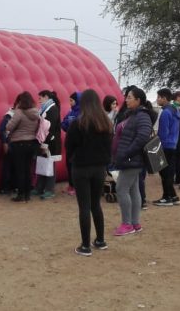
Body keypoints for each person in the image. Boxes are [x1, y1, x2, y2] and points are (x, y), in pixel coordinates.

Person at [65, 89, 112, 256]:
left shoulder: (78, 124)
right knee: (95, 205)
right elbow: (109, 148)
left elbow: (69, 146)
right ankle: (100, 240)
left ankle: (85, 246)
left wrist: (73, 159)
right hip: (99, 168)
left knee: (84, 206)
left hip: (81, 168)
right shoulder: (106, 123)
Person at [112, 87, 153, 236]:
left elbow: (142, 138)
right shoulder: (132, 115)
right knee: (133, 190)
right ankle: (135, 223)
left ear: (138, 100)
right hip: (129, 159)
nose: (126, 100)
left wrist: (127, 152)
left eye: (129, 97)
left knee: (121, 189)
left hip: (131, 159)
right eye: (126, 97)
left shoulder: (142, 116)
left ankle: (127, 224)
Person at [5, 91, 40, 202]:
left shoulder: (19, 112)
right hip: (31, 143)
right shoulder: (36, 112)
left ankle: (20, 194)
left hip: (19, 144)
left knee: (20, 170)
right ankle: (27, 194)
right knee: (28, 169)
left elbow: (9, 126)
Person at [153, 88, 180, 207]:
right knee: (168, 172)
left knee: (164, 173)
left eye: (158, 97)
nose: (157, 99)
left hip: (165, 145)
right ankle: (173, 196)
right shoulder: (176, 110)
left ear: (164, 98)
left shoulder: (165, 112)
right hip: (173, 144)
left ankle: (167, 197)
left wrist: (157, 144)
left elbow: (163, 132)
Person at [33, 90, 62, 199]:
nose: (39, 100)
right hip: (42, 139)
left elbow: (50, 127)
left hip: (50, 141)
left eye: (40, 98)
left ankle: (49, 189)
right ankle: (39, 187)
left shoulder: (53, 109)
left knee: (50, 165)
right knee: (41, 164)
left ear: (46, 97)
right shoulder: (44, 108)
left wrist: (46, 141)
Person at [61, 92, 82, 196]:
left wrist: (70, 127)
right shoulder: (71, 112)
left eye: (72, 100)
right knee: (68, 164)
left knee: (75, 166)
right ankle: (71, 184)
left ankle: (77, 186)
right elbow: (63, 123)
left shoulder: (82, 113)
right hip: (69, 142)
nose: (70, 103)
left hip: (78, 145)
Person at [0, 105, 15, 194]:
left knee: (15, 167)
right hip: (10, 143)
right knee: (8, 166)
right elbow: (1, 129)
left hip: (17, 143)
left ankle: (13, 186)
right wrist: (4, 142)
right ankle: (6, 187)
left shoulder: (23, 114)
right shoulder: (9, 116)